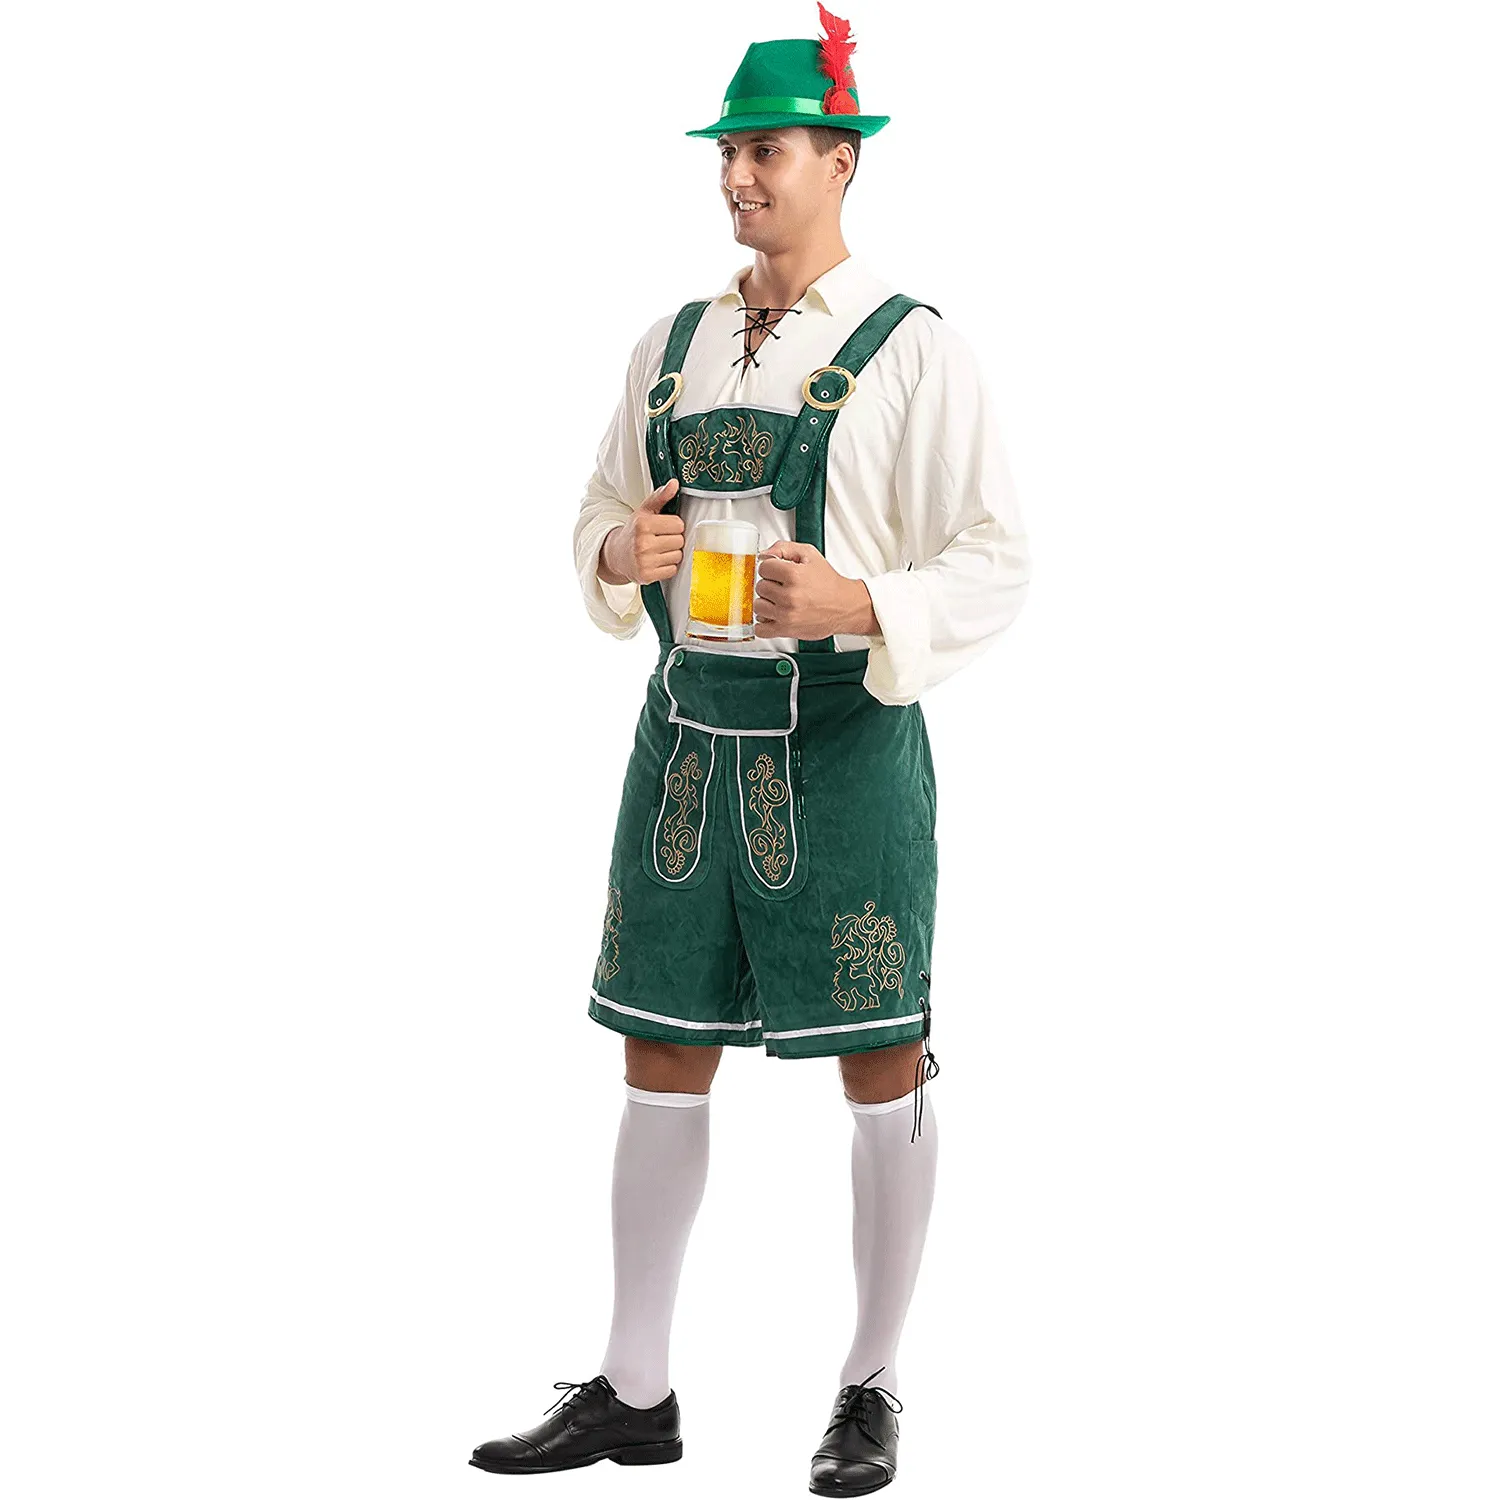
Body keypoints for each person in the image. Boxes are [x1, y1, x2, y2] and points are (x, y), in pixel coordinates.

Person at [470, 6, 1029, 1492]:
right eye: (727, 153)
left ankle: (872, 1386)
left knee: (880, 1052)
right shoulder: (670, 344)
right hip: (681, 747)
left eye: (767, 150)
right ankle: (633, 1389)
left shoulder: (915, 349)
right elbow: (599, 513)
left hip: (846, 747)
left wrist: (863, 602)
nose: (738, 177)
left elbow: (998, 557)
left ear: (841, 160)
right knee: (660, 1045)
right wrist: (619, 554)